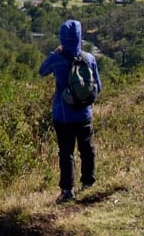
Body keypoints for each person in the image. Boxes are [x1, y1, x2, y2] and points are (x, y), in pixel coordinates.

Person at [39, 19, 102, 203]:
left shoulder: (57, 59)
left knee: (66, 152)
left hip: (63, 115)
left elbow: (42, 71)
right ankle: (89, 184)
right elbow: (98, 87)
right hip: (84, 114)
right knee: (87, 149)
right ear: (80, 37)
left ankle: (67, 191)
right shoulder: (89, 58)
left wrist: (54, 52)